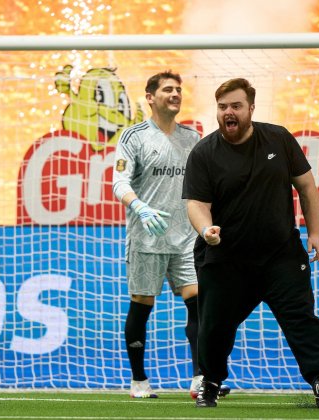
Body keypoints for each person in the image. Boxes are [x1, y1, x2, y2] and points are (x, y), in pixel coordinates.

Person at [182, 78, 319, 408]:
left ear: (251, 109)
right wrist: (206, 229)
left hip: (279, 255)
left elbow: (307, 188)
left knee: (300, 317)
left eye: (236, 106)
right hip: (226, 259)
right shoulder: (204, 153)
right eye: (223, 106)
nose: (229, 112)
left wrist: (314, 233)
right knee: (215, 324)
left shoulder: (279, 138)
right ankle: (209, 380)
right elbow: (196, 204)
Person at [112, 71, 230, 399]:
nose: (175, 94)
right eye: (168, 89)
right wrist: (141, 208)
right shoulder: (133, 136)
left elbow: (207, 187)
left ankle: (200, 377)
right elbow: (119, 182)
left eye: (178, 89)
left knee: (198, 305)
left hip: (185, 239)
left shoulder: (193, 139)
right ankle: (139, 381)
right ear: (150, 97)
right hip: (147, 237)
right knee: (142, 304)